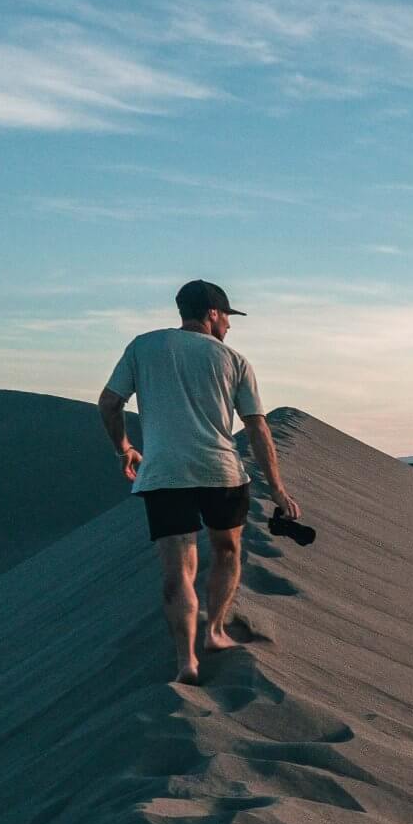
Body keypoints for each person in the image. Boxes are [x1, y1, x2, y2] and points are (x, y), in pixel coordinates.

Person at [98, 279, 301, 684]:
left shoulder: (143, 346)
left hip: (164, 475)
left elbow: (109, 403)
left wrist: (124, 447)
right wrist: (277, 488)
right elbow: (257, 427)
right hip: (220, 472)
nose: (229, 325)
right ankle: (215, 632)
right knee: (227, 551)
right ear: (212, 314)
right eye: (227, 316)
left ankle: (185, 661)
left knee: (177, 572)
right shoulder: (234, 360)